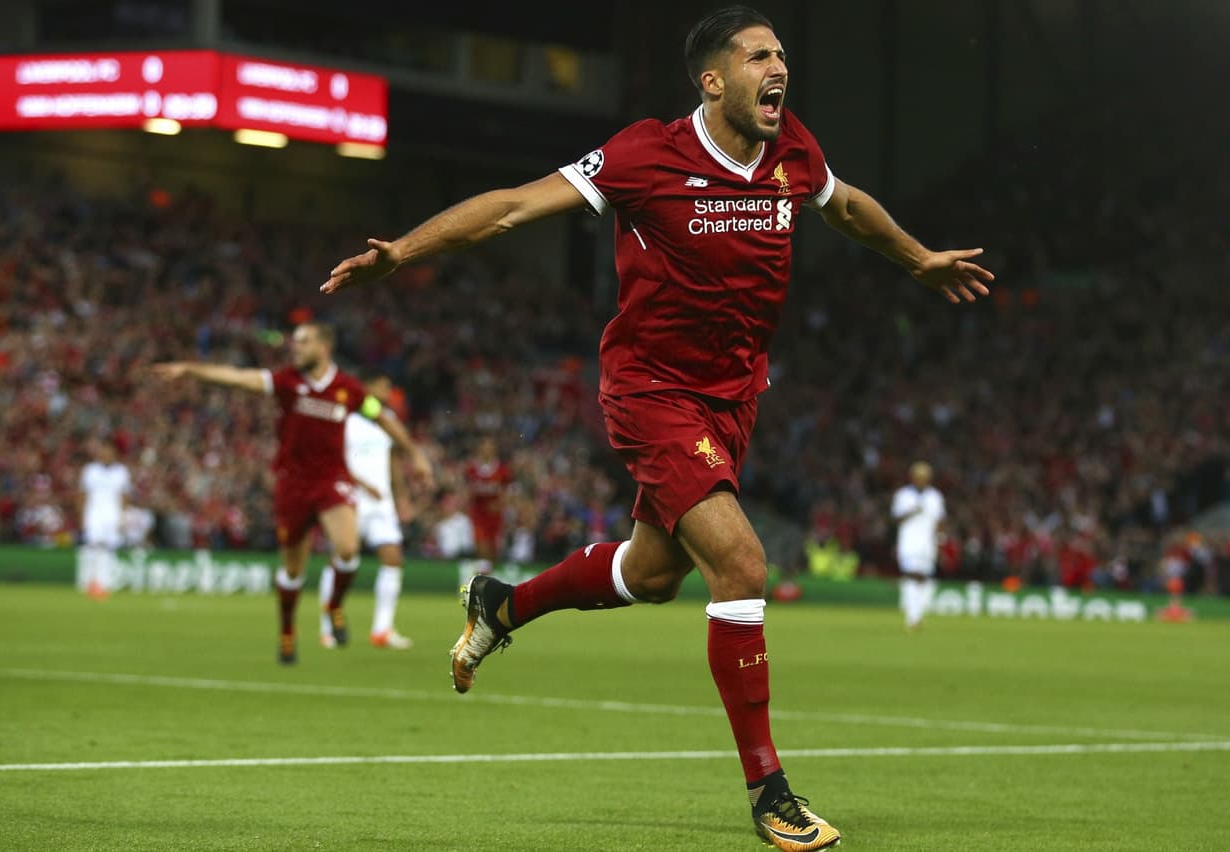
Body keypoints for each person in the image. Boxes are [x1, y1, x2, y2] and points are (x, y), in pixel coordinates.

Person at [320, 7, 991, 849]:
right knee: (743, 566)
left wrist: (919, 258)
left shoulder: (793, 151)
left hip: (735, 396)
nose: (777, 67)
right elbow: (512, 208)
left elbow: (845, 206)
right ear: (713, 81)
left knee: (655, 571)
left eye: (780, 54)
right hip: (651, 391)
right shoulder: (648, 153)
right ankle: (770, 792)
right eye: (757, 56)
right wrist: (404, 252)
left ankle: (502, 604)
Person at [152, 323, 428, 664]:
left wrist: (414, 453)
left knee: (347, 548)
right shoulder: (287, 382)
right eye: (294, 341)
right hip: (293, 486)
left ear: (324, 346)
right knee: (293, 571)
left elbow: (383, 418)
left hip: (331, 482)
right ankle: (287, 632)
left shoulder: (349, 390)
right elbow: (239, 378)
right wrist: (191, 370)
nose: (295, 348)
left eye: (303, 342)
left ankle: (334, 606)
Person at [319, 373, 426, 650]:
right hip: (351, 499)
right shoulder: (345, 418)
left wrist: (401, 496)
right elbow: (334, 460)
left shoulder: (388, 420)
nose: (388, 391)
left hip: (382, 503)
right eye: (383, 385)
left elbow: (393, 461)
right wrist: (364, 485)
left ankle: (382, 629)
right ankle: (327, 628)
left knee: (393, 558)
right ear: (367, 387)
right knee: (341, 559)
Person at [890, 461, 946, 630]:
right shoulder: (903, 495)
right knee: (911, 575)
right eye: (918, 477)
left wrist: (940, 538)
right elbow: (896, 519)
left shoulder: (935, 496)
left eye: (924, 477)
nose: (921, 480)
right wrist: (912, 511)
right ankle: (912, 617)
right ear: (913, 478)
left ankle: (918, 614)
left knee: (923, 578)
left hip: (928, 543)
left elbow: (940, 520)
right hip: (909, 543)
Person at [76, 439, 131, 600]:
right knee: (92, 547)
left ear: (114, 453)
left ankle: (104, 584)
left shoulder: (121, 471)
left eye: (109, 451)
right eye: (103, 451)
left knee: (108, 549)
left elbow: (124, 496)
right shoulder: (90, 470)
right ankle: (88, 582)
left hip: (112, 514)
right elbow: (82, 494)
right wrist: (81, 516)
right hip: (93, 513)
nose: (106, 454)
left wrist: (123, 517)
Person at [463, 435, 512, 576]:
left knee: (492, 548)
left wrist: (501, 504)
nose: (486, 450)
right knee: (481, 545)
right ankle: (482, 578)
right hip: (478, 514)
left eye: (489, 447)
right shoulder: (472, 469)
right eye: (484, 447)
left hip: (495, 515)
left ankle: (488, 576)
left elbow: (508, 492)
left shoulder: (502, 470)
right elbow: (466, 490)